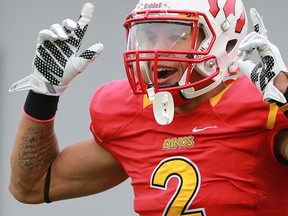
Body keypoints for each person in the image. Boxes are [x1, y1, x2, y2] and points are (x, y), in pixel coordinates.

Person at [8, 0, 288, 215]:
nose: (156, 51)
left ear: (223, 41)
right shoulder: (129, 112)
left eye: (176, 36)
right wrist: (44, 92)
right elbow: (30, 187)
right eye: (150, 37)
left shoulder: (264, 104)